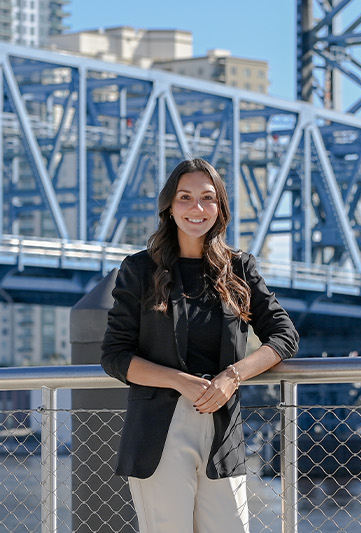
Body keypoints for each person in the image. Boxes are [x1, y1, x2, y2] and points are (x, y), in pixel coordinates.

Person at [101, 158, 299, 533]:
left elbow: (284, 335)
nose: (197, 208)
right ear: (169, 207)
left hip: (223, 430)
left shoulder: (239, 268)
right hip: (159, 432)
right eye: (185, 197)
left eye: (207, 198)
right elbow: (114, 356)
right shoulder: (140, 269)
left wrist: (233, 376)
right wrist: (179, 380)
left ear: (220, 208)